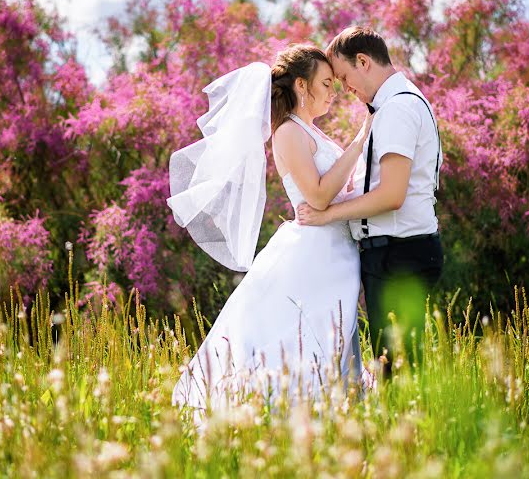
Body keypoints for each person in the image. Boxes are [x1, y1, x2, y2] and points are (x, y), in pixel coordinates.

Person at [167, 44, 372, 420]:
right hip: (313, 253)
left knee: (333, 343)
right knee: (306, 343)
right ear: (301, 85)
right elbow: (319, 196)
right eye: (325, 83)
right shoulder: (288, 134)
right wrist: (360, 142)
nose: (333, 91)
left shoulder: (312, 132)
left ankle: (339, 425)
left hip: (333, 251)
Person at [297, 26, 443, 380]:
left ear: (363, 61)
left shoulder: (397, 108)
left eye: (345, 77)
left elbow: (391, 196)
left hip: (399, 254)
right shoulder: (393, 107)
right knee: (395, 366)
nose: (345, 89)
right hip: (396, 252)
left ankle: (407, 434)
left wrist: (328, 213)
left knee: (398, 372)